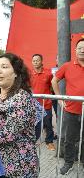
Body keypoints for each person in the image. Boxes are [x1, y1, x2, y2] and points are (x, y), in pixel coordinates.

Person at [0, 53, 38, 177]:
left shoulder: (21, 97)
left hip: (19, 165)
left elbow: (9, 134)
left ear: (16, 73)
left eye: (4, 67)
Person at [51, 38, 84, 175]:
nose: (83, 50)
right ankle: (69, 163)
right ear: (75, 50)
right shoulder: (67, 66)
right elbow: (54, 80)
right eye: (80, 47)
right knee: (69, 139)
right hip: (71, 110)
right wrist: (59, 98)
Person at [30, 54, 55, 150]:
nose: (36, 62)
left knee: (48, 123)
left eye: (37, 60)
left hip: (46, 103)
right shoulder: (29, 74)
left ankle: (49, 142)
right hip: (34, 104)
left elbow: (52, 86)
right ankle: (33, 141)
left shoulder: (48, 73)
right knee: (34, 124)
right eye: (34, 61)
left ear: (42, 61)